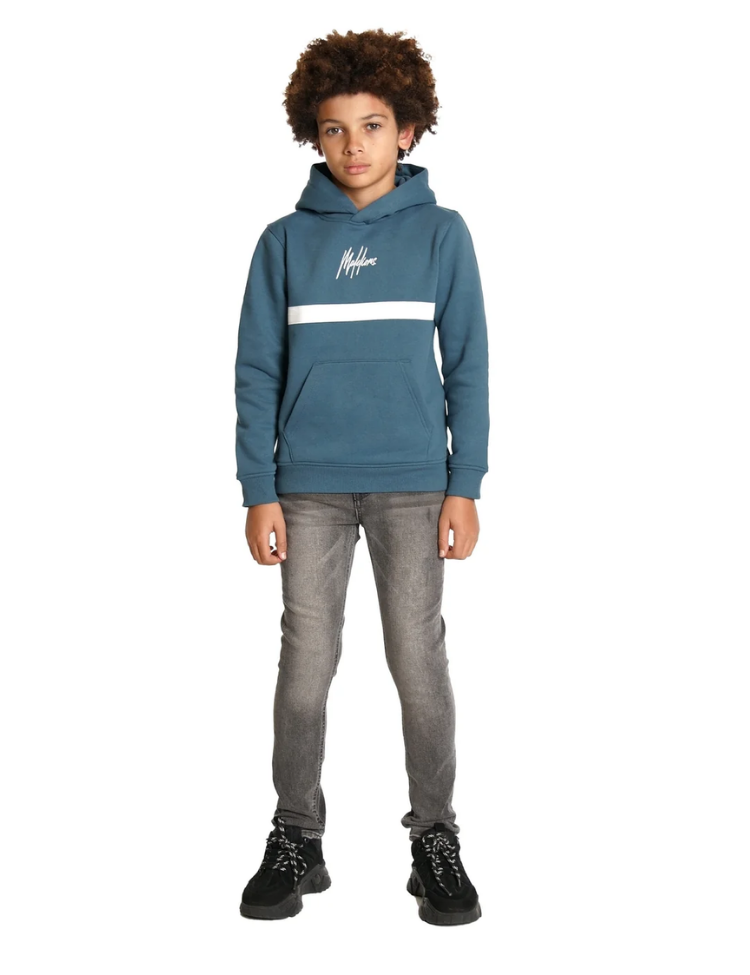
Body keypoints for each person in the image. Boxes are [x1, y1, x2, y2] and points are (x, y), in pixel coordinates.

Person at [236, 28, 489, 926]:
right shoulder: (283, 244)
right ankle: (296, 836)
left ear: (407, 130)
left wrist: (466, 482)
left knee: (419, 664)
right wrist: (257, 489)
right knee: (305, 668)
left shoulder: (442, 236)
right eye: (335, 128)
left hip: (415, 484)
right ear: (314, 134)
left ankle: (435, 838)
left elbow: (469, 365)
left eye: (373, 125)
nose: (354, 146)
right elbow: (256, 372)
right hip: (305, 487)